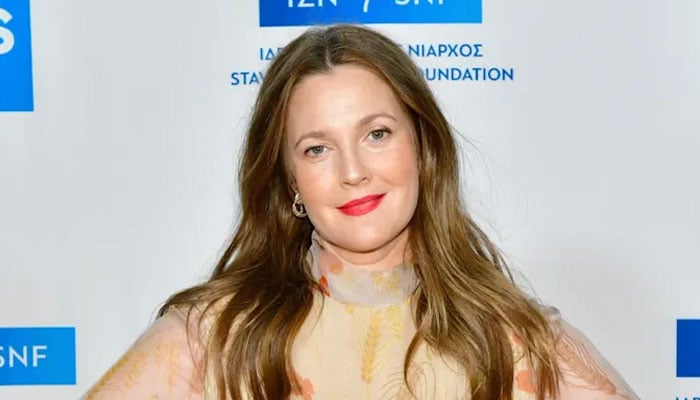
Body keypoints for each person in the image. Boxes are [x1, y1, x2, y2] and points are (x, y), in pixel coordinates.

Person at [81, 24, 640, 400]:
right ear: (289, 179)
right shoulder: (213, 338)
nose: (353, 172)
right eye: (316, 149)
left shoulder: (517, 339)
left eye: (376, 134)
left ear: (422, 147)